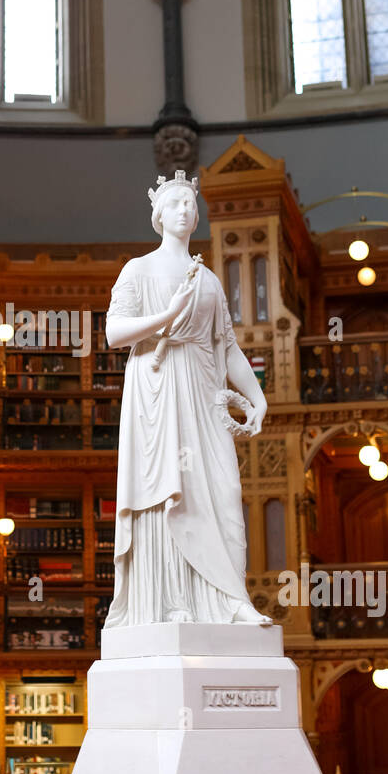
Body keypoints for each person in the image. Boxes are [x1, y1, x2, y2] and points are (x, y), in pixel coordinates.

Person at [103, 170, 270, 627]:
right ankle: (171, 601)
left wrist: (256, 398)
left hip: (202, 389)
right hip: (156, 389)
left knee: (223, 489)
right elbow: (114, 332)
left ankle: (230, 598)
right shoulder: (137, 269)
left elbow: (229, 345)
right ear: (158, 214)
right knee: (167, 492)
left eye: (191, 205)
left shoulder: (209, 280)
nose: (185, 210)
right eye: (176, 203)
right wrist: (166, 315)